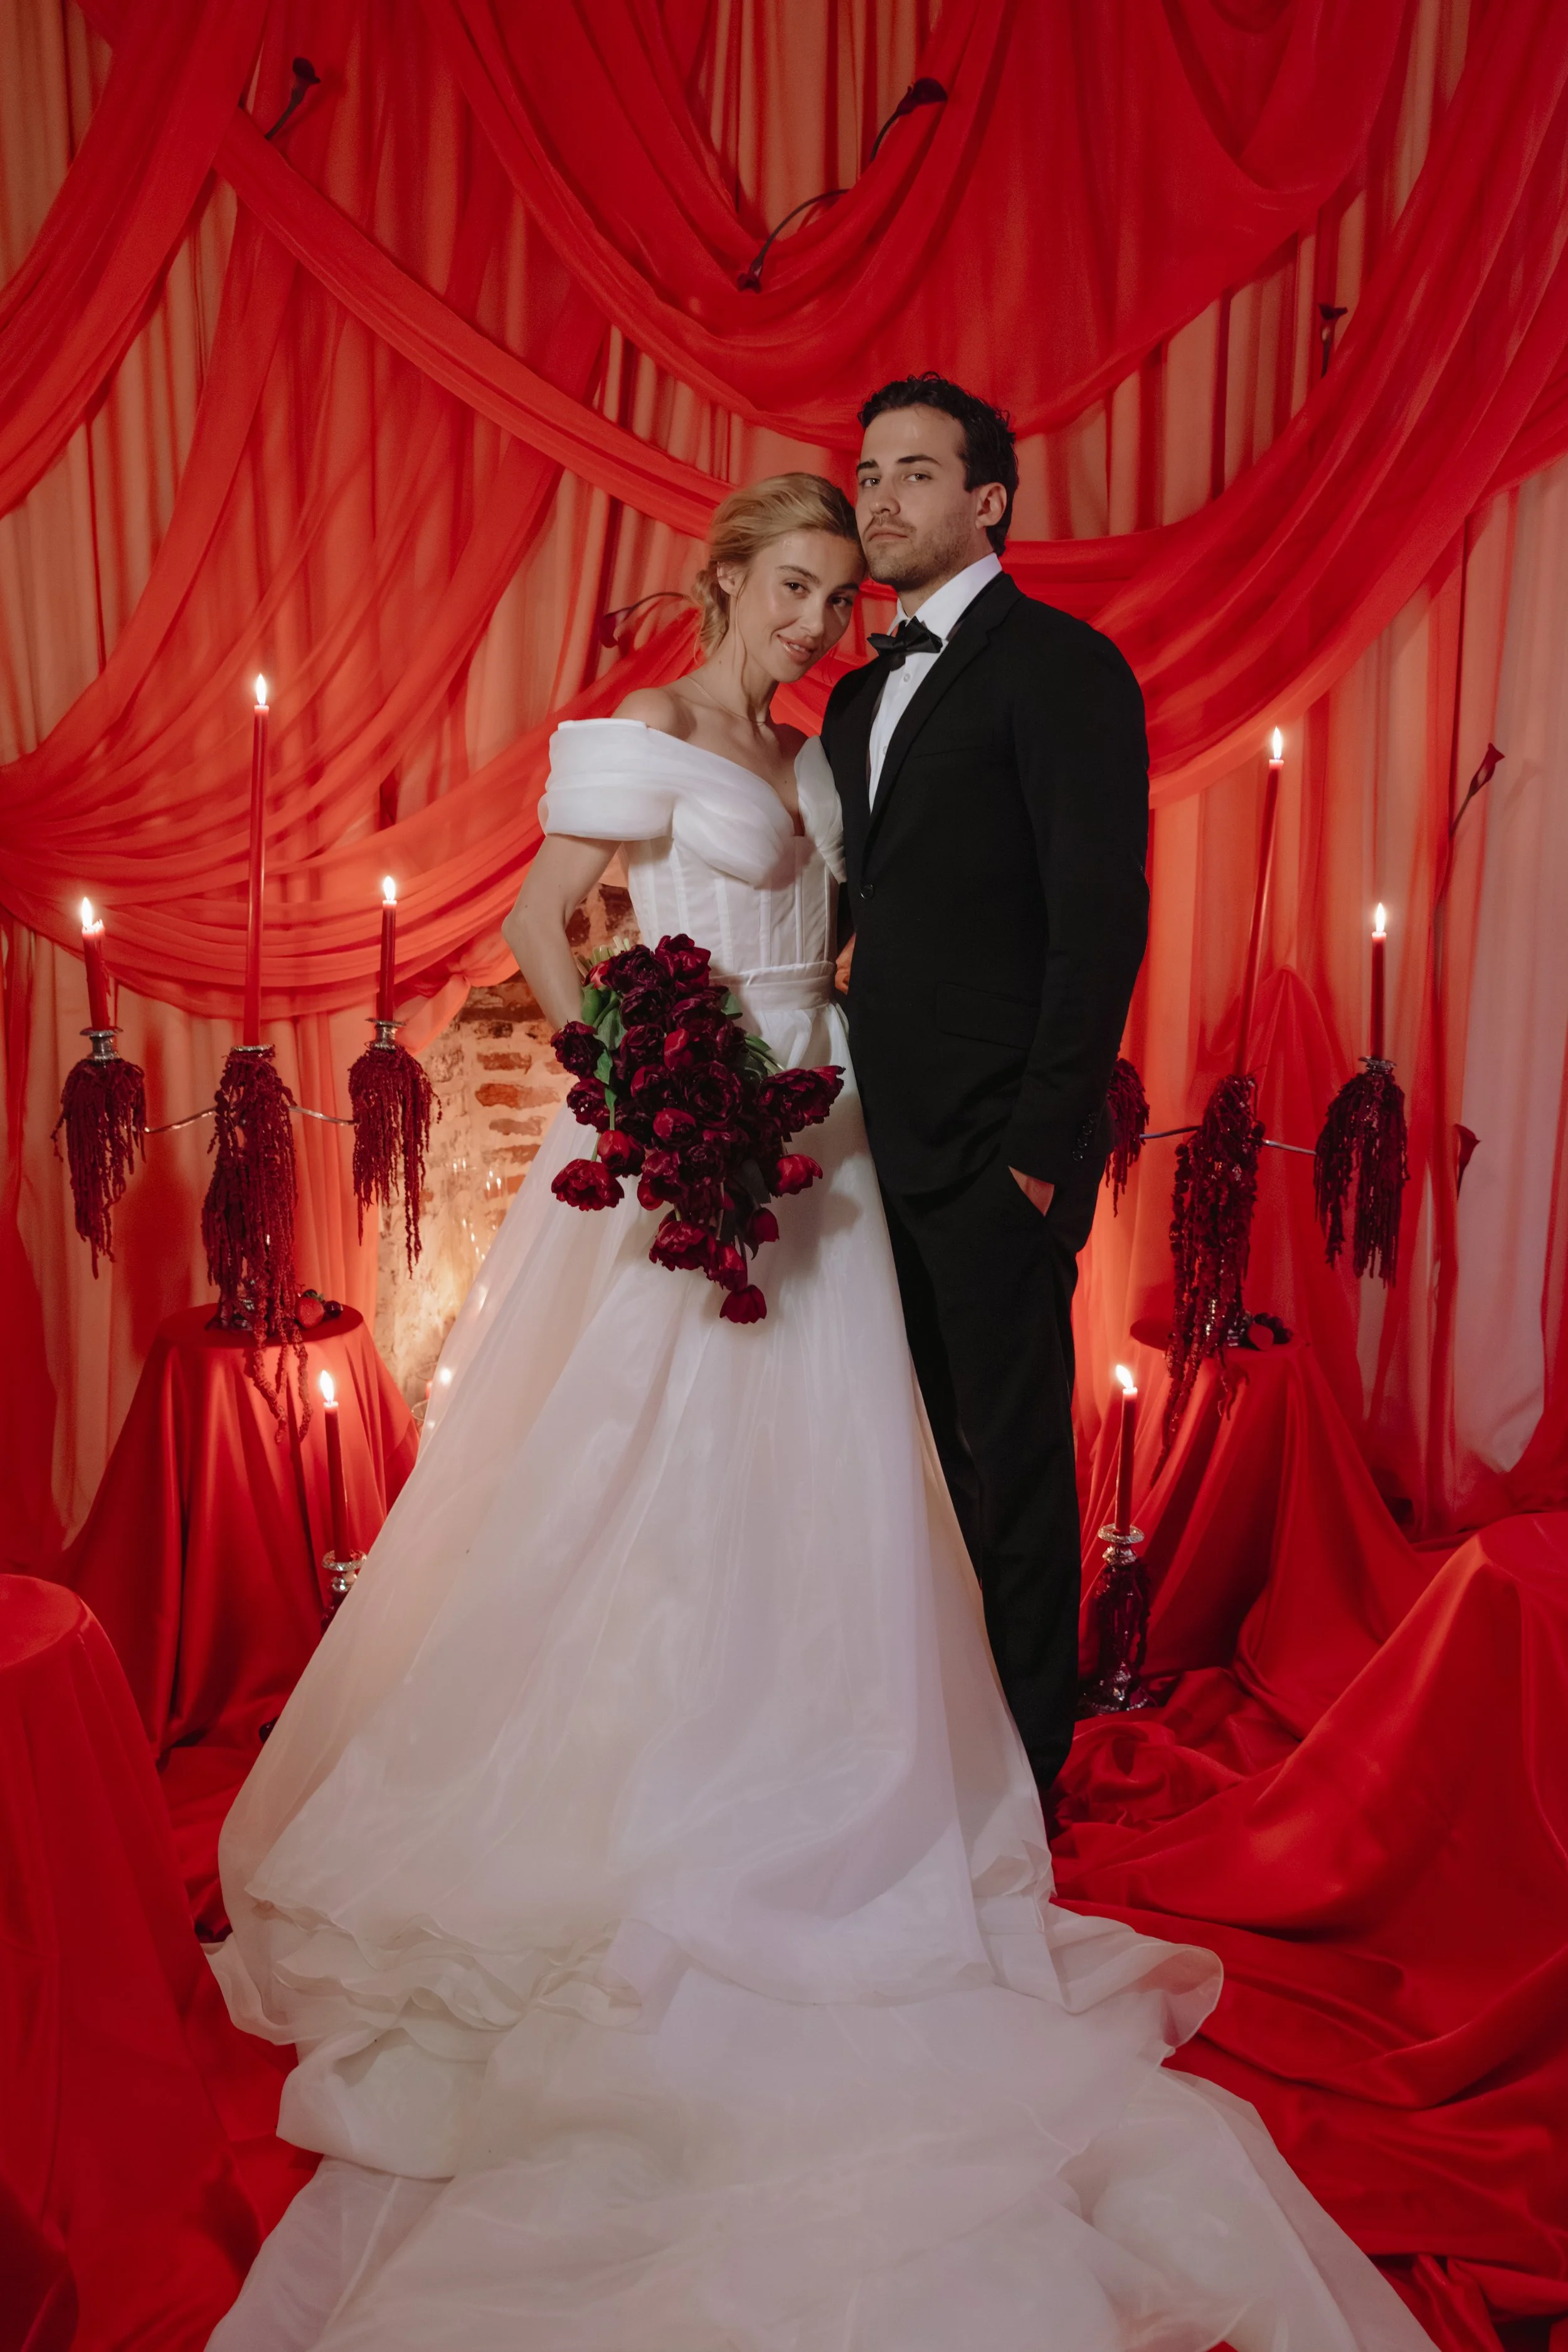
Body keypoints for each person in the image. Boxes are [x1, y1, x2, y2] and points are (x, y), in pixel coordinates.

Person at [206, 475, 1432, 2350]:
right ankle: (639, 1797)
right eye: (791, 590)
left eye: (838, 602)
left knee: (841, 1477)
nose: (813, 627)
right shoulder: (627, 741)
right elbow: (546, 930)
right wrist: (636, 1060)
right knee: (634, 1484)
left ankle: (819, 1786)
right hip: (685, 1123)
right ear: (724, 579)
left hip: (825, 1138)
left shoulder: (830, 747)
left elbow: (878, 935)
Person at [823, 373, 1148, 1796]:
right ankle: (925, 1738)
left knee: (1010, 1468)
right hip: (855, 1147)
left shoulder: (1060, 667)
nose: (880, 497)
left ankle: (1023, 1768)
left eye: (912, 472)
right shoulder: (850, 694)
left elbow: (1099, 921)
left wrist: (1036, 1146)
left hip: (991, 1151)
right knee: (903, 1464)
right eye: (868, 474)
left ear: (986, 500)